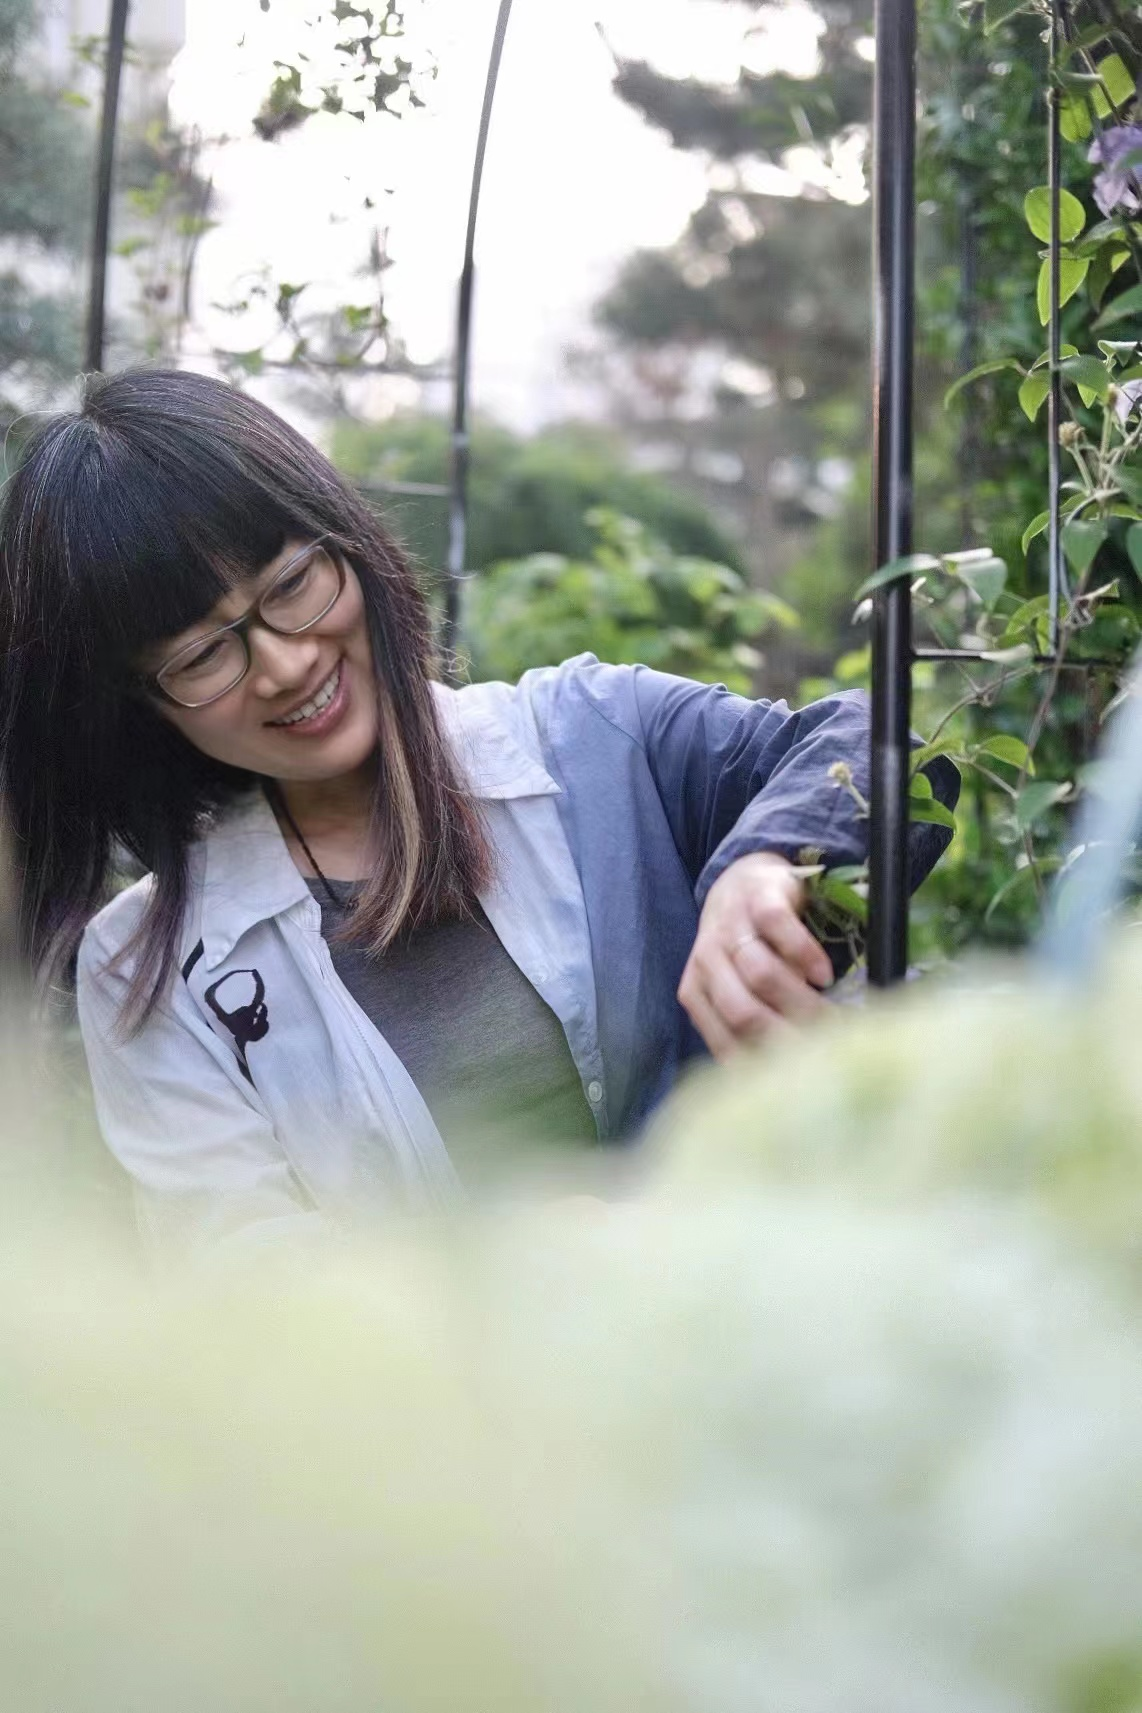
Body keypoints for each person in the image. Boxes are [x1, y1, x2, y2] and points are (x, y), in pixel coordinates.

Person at [0, 369, 957, 1264]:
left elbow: (896, 750)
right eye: (204, 654)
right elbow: (246, 1279)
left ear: (348, 542)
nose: (285, 665)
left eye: (292, 585)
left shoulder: (595, 734)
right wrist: (497, 1267)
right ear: (141, 703)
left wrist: (772, 859)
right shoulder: (149, 971)